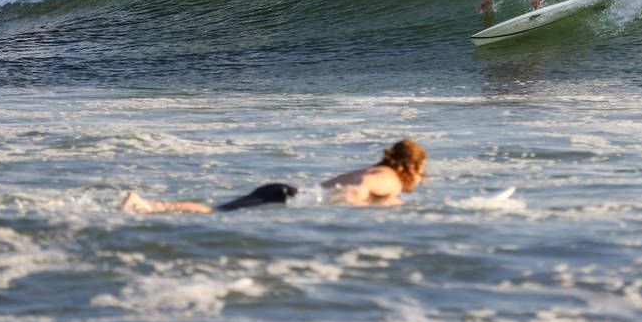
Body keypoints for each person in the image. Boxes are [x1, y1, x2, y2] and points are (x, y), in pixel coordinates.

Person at [119, 139, 426, 213]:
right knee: (214, 213)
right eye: (422, 170)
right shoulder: (389, 178)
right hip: (287, 197)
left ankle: (145, 204)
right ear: (409, 166)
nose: (422, 177)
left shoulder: (372, 168)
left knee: (215, 212)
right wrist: (352, 205)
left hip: (283, 190)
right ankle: (145, 206)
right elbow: (360, 189)